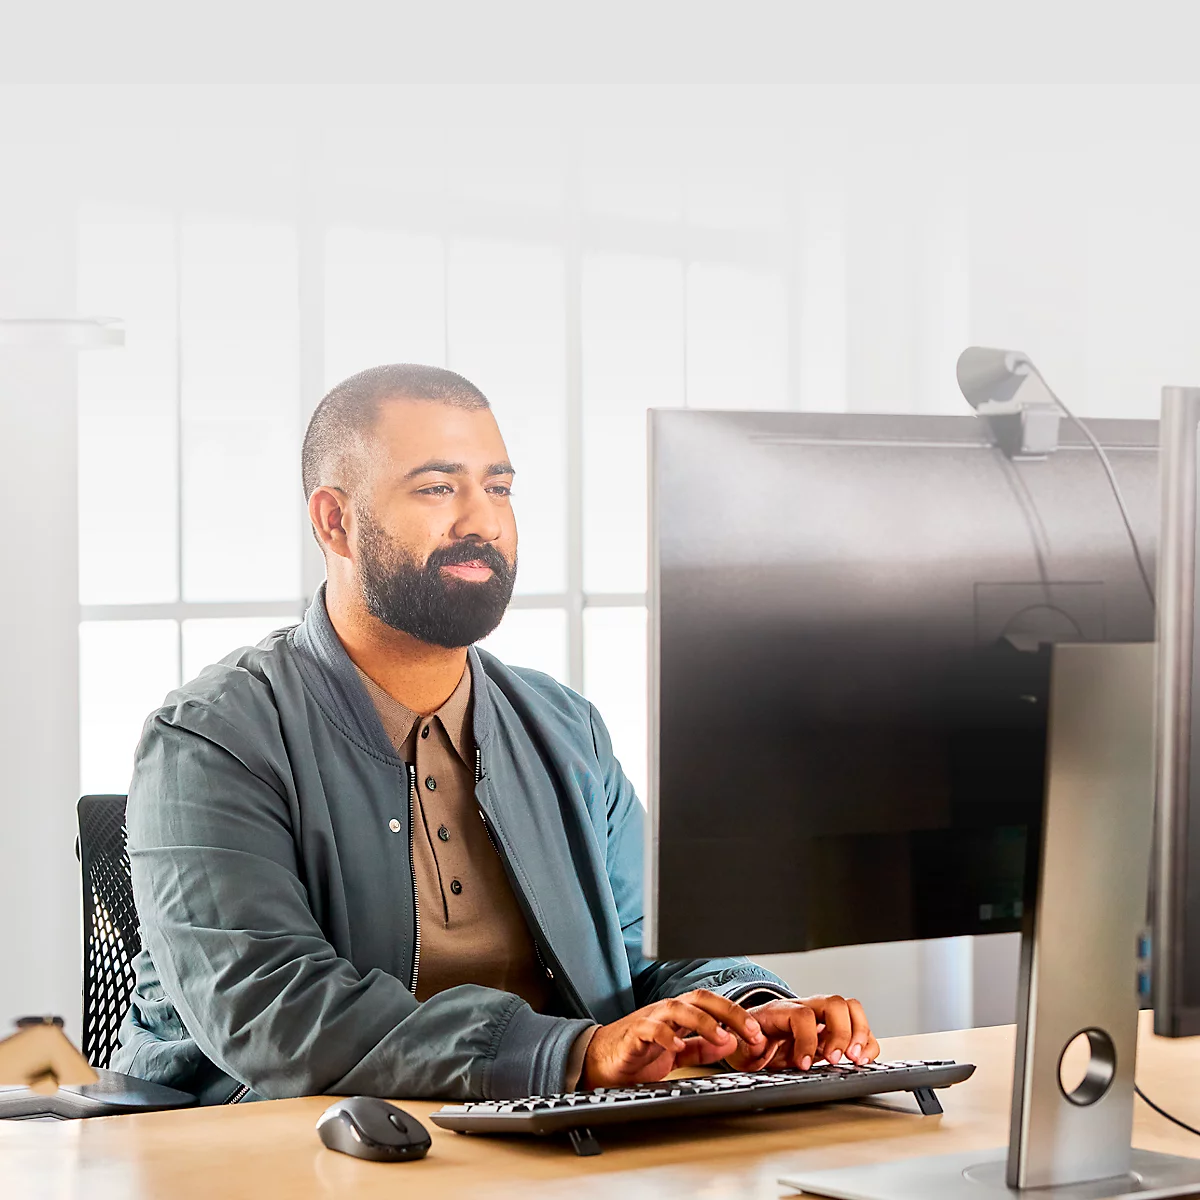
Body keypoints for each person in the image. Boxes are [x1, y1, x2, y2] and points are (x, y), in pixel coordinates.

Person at [113, 364, 879, 1104]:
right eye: (439, 488)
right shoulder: (210, 740)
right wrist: (571, 1054)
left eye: (499, 489)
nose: (482, 521)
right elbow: (272, 1011)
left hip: (547, 1129)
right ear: (335, 520)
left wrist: (746, 1010)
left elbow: (648, 944)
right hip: (270, 1144)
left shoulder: (564, 726)